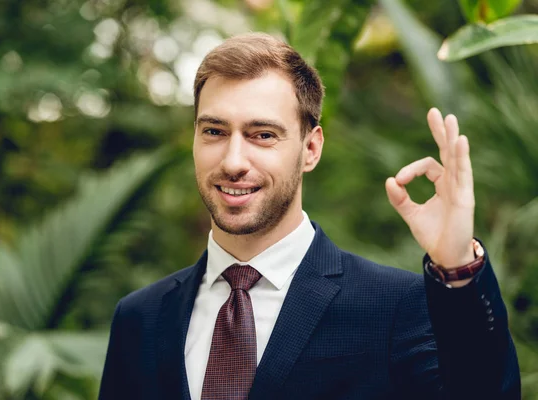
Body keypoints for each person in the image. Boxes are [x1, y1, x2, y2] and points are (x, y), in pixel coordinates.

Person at [98, 33, 520, 400]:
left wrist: (458, 265)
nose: (233, 160)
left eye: (262, 135)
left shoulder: (396, 307)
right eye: (214, 131)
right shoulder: (139, 318)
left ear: (311, 149)